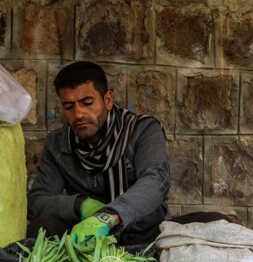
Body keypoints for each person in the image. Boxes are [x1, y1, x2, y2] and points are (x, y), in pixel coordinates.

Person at [27, 61, 229, 245]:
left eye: (87, 103)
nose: (78, 114)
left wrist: (108, 216)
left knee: (217, 222)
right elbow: (37, 201)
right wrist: (80, 205)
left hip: (146, 236)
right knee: (42, 227)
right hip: (86, 240)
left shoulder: (142, 130)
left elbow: (155, 182)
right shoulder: (58, 143)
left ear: (107, 100)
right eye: (69, 106)